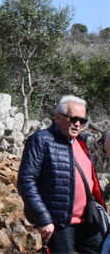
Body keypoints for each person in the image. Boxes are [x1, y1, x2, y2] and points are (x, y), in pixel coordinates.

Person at [17, 96, 105, 254]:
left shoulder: (81, 142)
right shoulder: (41, 140)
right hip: (58, 225)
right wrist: (43, 219)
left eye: (82, 121)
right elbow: (26, 181)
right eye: (73, 119)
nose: (77, 124)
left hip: (89, 223)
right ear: (57, 117)